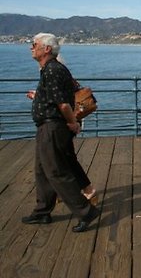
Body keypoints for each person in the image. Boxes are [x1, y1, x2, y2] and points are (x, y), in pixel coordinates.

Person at [21, 33, 100, 232]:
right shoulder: (51, 69)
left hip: (52, 127)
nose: (31, 47)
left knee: (56, 172)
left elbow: (63, 104)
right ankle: (42, 212)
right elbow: (59, 96)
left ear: (46, 49)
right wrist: (39, 97)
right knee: (42, 171)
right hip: (47, 126)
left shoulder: (52, 70)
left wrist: (73, 123)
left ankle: (86, 211)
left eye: (34, 44)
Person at [26, 54, 97, 205]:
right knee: (64, 158)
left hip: (65, 122)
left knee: (65, 159)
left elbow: (61, 100)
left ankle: (87, 191)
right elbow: (59, 96)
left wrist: (73, 122)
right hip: (67, 121)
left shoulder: (54, 73)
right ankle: (70, 192)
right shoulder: (63, 74)